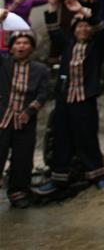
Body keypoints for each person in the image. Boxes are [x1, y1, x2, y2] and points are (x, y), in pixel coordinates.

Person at [34, 0, 104, 196]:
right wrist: (52, 7)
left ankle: (98, 176)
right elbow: (54, 32)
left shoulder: (96, 47)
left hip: (85, 99)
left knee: (87, 138)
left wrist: (84, 11)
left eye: (86, 27)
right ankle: (58, 178)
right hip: (64, 99)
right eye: (79, 27)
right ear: (74, 30)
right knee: (62, 138)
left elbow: (102, 29)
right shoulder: (67, 46)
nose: (83, 29)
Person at [0, 31, 49, 208]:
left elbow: (43, 93)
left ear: (32, 48)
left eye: (25, 43)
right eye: (17, 43)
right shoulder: (4, 64)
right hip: (2, 118)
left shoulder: (40, 69)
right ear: (11, 47)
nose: (21, 46)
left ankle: (17, 192)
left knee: (23, 157)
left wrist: (29, 111)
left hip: (25, 120)